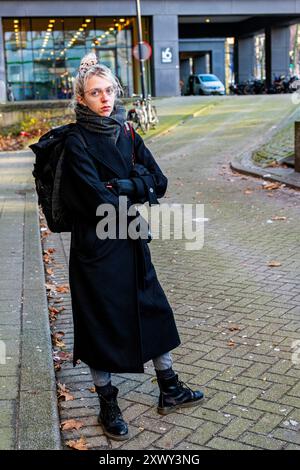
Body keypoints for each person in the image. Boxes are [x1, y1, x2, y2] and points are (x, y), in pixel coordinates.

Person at [61, 53, 204, 441]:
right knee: (100, 324)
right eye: (95, 93)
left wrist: (127, 185)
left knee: (152, 309)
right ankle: (108, 403)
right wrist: (134, 186)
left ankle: (169, 387)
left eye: (109, 90)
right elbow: (95, 199)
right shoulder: (76, 141)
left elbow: (159, 180)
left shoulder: (126, 132)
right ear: (81, 98)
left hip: (131, 240)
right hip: (96, 248)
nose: (104, 98)